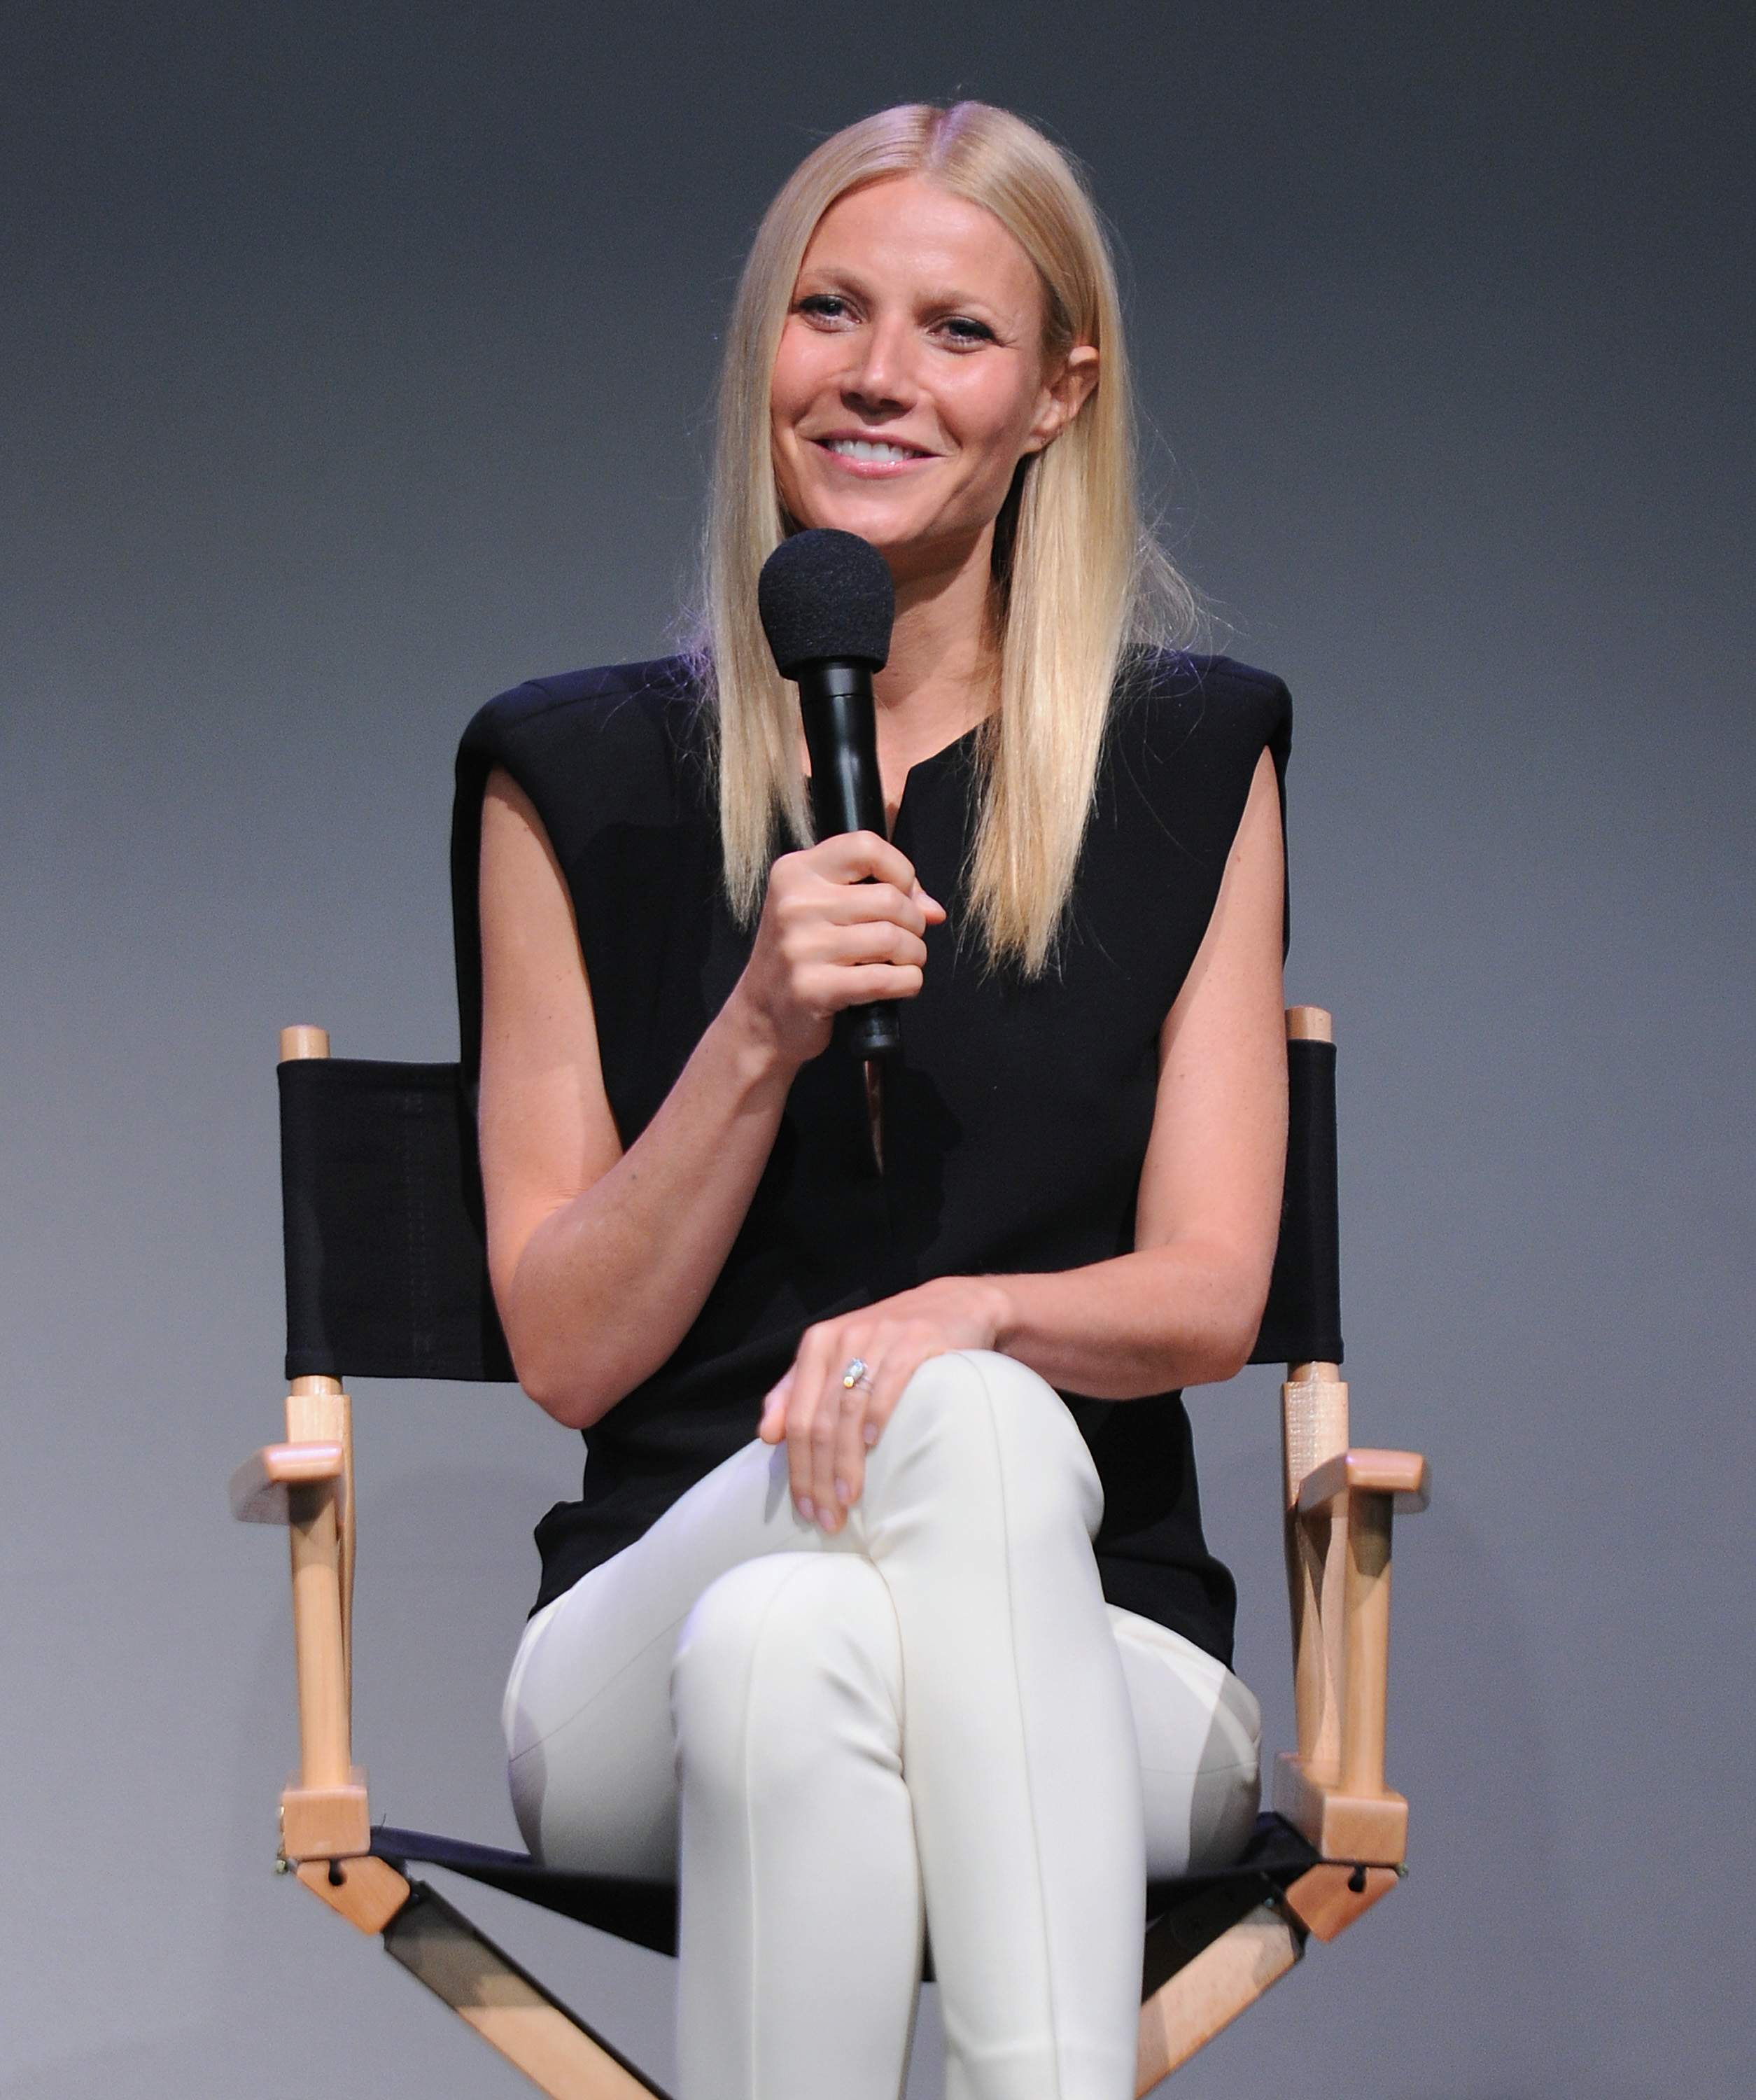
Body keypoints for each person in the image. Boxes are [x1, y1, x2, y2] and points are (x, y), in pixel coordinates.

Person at [449, 99, 1291, 2100]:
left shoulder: (1190, 759)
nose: (878, 378)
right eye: (830, 312)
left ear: (1057, 395)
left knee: (817, 1628)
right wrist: (755, 1026)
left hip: (1106, 1642)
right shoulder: (573, 777)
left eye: (955, 332)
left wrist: (973, 1312)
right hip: (658, 1601)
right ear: (768, 352)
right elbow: (569, 1350)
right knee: (778, 1594)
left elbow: (1210, 1295)